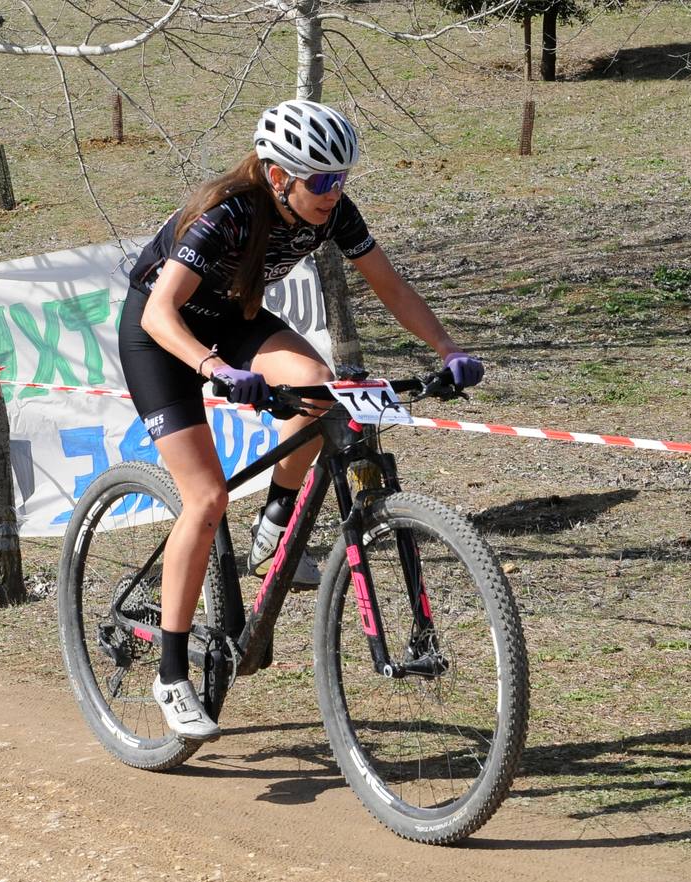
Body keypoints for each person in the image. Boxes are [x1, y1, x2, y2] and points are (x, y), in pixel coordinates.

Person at [119, 100, 485, 741]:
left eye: (341, 179)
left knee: (320, 389)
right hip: (164, 337)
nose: (332, 192)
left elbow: (391, 288)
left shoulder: (335, 212)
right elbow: (159, 314)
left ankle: (277, 517)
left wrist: (448, 349)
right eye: (319, 180)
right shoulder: (225, 213)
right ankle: (172, 672)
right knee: (203, 499)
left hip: (234, 324)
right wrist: (214, 369)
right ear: (274, 173)